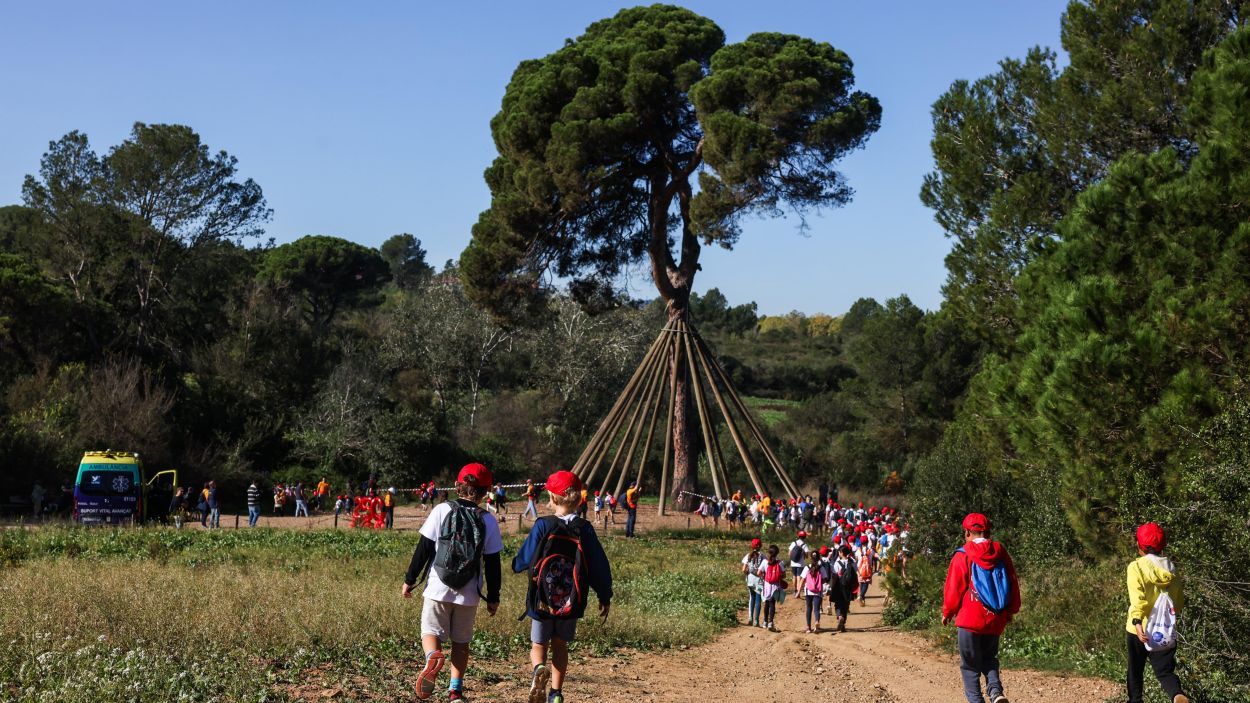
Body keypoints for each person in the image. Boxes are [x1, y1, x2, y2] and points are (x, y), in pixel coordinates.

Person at [402, 463, 503, 702]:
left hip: (438, 586)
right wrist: (494, 596)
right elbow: (492, 563)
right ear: (486, 491)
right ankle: (455, 691)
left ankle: (432, 658)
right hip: (469, 592)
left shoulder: (441, 510)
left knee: (430, 632)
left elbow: (424, 549)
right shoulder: (488, 520)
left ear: (458, 485)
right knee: (461, 642)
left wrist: (409, 579)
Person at [512, 471, 612, 703]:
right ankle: (556, 694)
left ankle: (538, 668)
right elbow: (598, 565)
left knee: (539, 643)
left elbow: (525, 558)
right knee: (560, 644)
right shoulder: (584, 529)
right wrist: (605, 595)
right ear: (579, 499)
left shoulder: (543, 525)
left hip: (542, 598)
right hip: (571, 599)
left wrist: (516, 565)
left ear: (552, 497)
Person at [942, 513, 1020, 703]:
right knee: (989, 658)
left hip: (969, 619)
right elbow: (1012, 582)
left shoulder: (963, 554)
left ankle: (976, 701)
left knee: (969, 666)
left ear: (967, 532)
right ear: (987, 531)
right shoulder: (1000, 552)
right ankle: (995, 692)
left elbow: (954, 588)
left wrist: (948, 612)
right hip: (995, 617)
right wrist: (1010, 610)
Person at [1125, 522, 1189, 703]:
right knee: (1164, 672)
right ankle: (1177, 695)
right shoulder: (1170, 568)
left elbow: (1138, 599)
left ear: (1139, 546)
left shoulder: (1135, 567)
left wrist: (1137, 622)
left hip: (1139, 629)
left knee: (1135, 670)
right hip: (1164, 629)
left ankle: (1135, 701)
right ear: (1163, 546)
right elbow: (1178, 602)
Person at [830, 545, 856, 631]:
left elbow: (835, 575)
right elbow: (855, 574)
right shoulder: (852, 562)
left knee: (838, 604)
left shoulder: (837, 563)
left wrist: (831, 587)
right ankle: (843, 623)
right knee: (845, 605)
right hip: (848, 587)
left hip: (839, 586)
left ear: (841, 553)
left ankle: (839, 616)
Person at [760, 544, 785, 632]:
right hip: (775, 585)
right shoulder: (780, 562)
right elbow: (784, 575)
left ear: (769, 552)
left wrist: (764, 576)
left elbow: (759, 572)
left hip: (767, 584)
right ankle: (771, 622)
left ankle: (765, 622)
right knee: (772, 604)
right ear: (777, 553)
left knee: (766, 602)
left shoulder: (764, 562)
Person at [741, 537, 766, 627]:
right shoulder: (763, 556)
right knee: (758, 600)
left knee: (752, 598)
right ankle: (756, 620)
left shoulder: (748, 555)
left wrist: (748, 574)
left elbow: (743, 569)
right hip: (759, 580)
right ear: (761, 546)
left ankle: (750, 618)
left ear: (752, 546)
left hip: (750, 580)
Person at [799, 550, 826, 633]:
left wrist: (798, 591)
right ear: (819, 558)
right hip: (818, 591)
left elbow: (802, 580)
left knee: (809, 608)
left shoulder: (807, 567)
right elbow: (824, 579)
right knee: (817, 609)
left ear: (811, 558)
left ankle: (808, 627)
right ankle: (817, 622)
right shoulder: (821, 568)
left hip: (808, 591)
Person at [787, 531, 809, 598]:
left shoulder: (794, 543)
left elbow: (789, 553)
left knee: (794, 576)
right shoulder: (804, 545)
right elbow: (807, 556)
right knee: (799, 576)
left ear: (798, 536)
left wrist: (792, 559)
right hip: (800, 563)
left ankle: (795, 590)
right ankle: (798, 592)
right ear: (805, 537)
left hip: (793, 563)